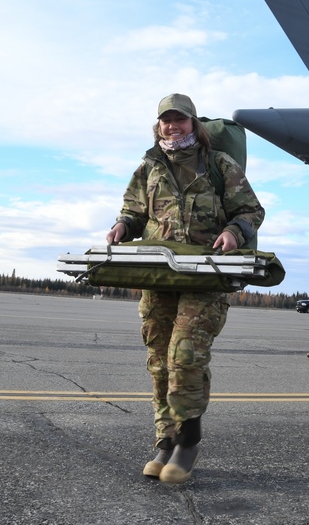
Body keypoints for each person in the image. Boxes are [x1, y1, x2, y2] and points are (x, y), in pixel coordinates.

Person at [106, 93, 265, 484]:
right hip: (159, 276)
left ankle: (188, 439)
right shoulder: (149, 168)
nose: (173, 126)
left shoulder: (218, 164)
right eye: (166, 121)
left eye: (180, 120)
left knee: (185, 354)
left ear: (193, 123)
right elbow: (134, 210)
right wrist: (123, 226)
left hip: (205, 276)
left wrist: (233, 231)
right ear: (158, 126)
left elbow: (251, 210)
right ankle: (165, 439)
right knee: (159, 359)